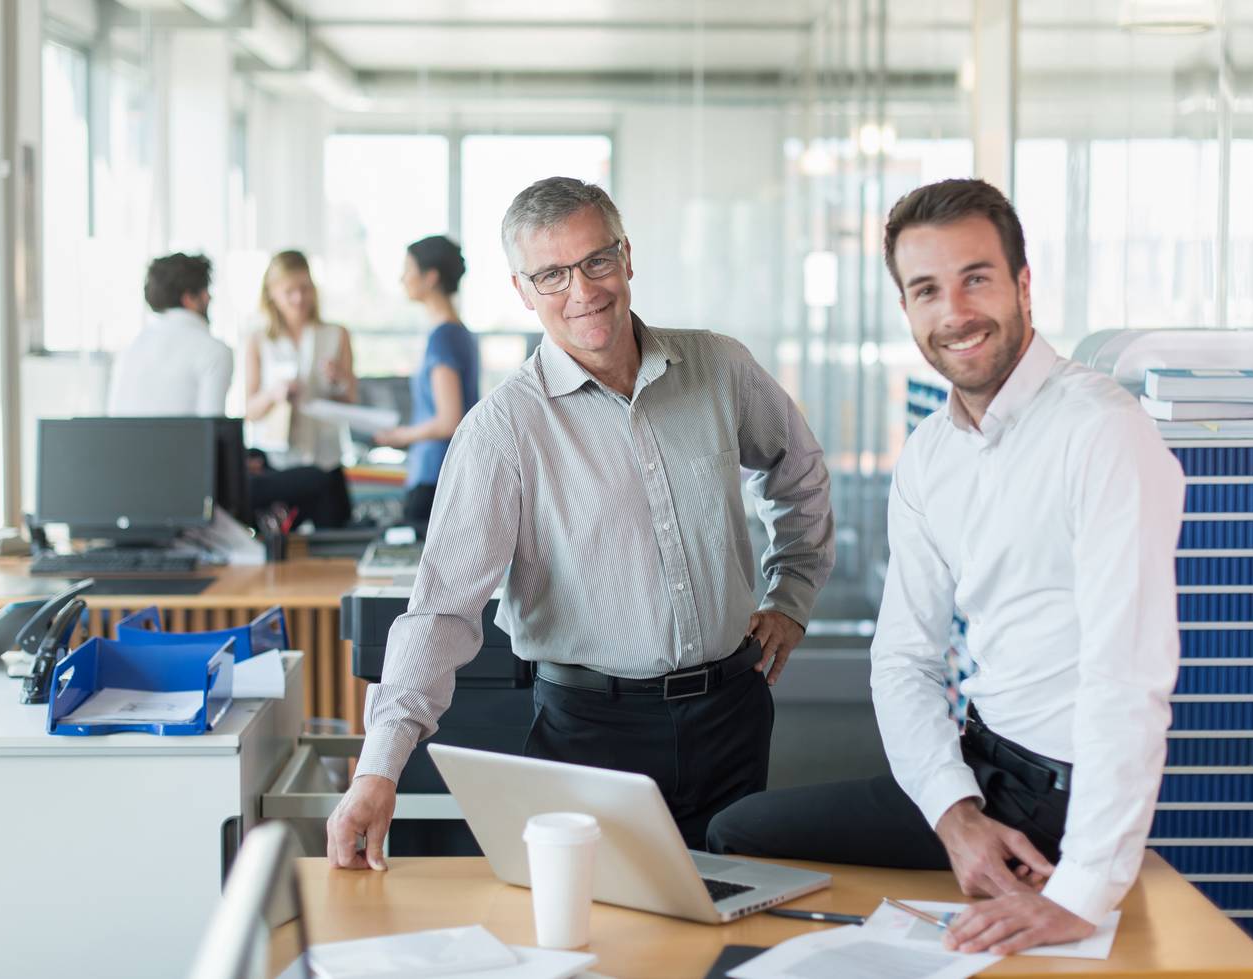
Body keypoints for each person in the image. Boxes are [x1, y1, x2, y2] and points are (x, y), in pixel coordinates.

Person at [705, 178, 1185, 955]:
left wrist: (1081, 892)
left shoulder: (1103, 435)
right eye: (927, 289)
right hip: (980, 767)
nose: (955, 311)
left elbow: (1128, 677)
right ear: (907, 310)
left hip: (1063, 798)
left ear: (1024, 284)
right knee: (736, 834)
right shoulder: (932, 453)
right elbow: (902, 658)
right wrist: (954, 814)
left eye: (977, 279)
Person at [325, 176, 835, 869]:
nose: (583, 290)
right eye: (553, 274)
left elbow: (798, 471)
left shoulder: (718, 367)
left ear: (627, 256)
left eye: (596, 260)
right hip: (594, 734)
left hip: (732, 714)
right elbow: (441, 609)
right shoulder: (504, 430)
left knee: (732, 923)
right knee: (604, 943)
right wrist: (378, 768)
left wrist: (791, 595)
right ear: (522, 290)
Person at [243, 250, 356, 528]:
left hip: (325, 459)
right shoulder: (258, 340)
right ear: (271, 294)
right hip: (280, 465)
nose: (299, 298)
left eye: (305, 288)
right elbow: (249, 411)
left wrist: (340, 378)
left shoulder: (335, 334)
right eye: (289, 291)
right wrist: (272, 394)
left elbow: (350, 400)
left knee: (334, 547)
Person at [374, 235, 480, 528]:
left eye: (408, 269)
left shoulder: (443, 337)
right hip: (448, 472)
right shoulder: (459, 333)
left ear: (430, 277)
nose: (401, 278)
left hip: (435, 475)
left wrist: (400, 436)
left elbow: (449, 420)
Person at [107, 253, 232, 416]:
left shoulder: (133, 347)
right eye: (205, 291)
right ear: (189, 299)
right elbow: (211, 428)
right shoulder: (214, 351)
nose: (209, 297)